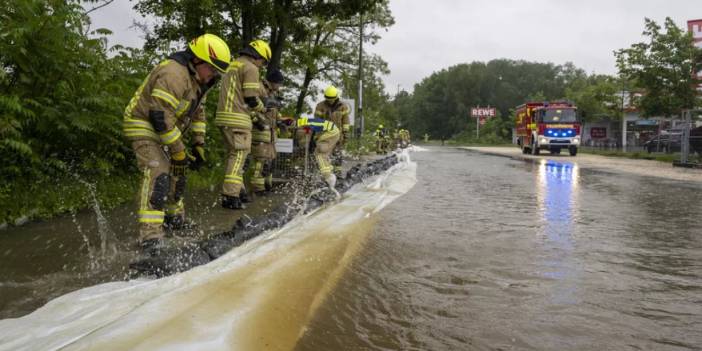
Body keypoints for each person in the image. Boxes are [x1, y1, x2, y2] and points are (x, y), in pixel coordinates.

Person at [122, 34, 231, 249]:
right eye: (212, 69)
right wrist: (178, 150)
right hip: (143, 123)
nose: (213, 75)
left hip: (166, 129)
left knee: (179, 175)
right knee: (159, 173)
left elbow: (197, 114)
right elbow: (159, 116)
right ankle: (150, 236)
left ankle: (174, 218)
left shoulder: (199, 81)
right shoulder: (174, 73)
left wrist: (198, 144)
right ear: (197, 60)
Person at [215, 40, 271, 209]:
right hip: (237, 119)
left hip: (224, 117)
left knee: (234, 156)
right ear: (258, 56)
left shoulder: (233, 65)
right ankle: (230, 196)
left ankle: (240, 192)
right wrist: (264, 108)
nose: (262, 65)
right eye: (264, 61)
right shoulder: (251, 68)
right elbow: (251, 98)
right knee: (240, 156)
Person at [250, 68, 284, 195]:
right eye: (279, 84)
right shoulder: (259, 88)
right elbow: (249, 106)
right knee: (261, 161)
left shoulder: (271, 93)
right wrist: (257, 121)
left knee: (269, 161)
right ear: (273, 82)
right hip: (260, 131)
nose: (280, 87)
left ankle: (267, 185)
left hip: (270, 133)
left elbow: (273, 112)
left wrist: (281, 121)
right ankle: (258, 189)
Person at [314, 86, 350, 176]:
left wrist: (346, 134)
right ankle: (326, 176)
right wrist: (317, 136)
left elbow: (345, 121)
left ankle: (338, 175)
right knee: (324, 156)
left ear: (336, 97)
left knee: (338, 156)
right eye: (328, 99)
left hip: (338, 136)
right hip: (325, 136)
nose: (330, 101)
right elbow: (317, 122)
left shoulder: (343, 107)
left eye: (332, 99)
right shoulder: (320, 106)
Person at [296, 117, 341, 189]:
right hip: (334, 132)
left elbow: (307, 136)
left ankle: (328, 177)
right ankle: (329, 175)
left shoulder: (310, 123)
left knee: (320, 154)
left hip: (332, 132)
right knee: (322, 154)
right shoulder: (310, 122)